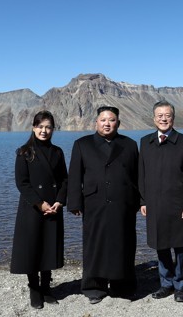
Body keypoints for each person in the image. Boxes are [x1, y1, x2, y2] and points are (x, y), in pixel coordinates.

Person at [67, 106, 140, 304]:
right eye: (103, 120)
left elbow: (138, 176)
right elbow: (75, 175)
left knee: (123, 243)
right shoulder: (82, 144)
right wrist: (74, 201)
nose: (107, 123)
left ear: (118, 123)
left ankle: (122, 286)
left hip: (123, 203)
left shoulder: (130, 145)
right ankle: (94, 287)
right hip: (94, 202)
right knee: (94, 244)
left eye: (112, 120)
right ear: (96, 122)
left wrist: (141, 201)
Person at [138, 100, 183, 303]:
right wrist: (143, 200)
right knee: (160, 245)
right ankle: (166, 284)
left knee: (180, 246)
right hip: (154, 204)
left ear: (173, 118)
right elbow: (141, 174)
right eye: (160, 115)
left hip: (178, 204)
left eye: (168, 115)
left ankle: (181, 285)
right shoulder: (145, 142)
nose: (164, 119)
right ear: (154, 118)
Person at [10, 110, 68, 309]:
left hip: (53, 206)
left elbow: (64, 180)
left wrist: (59, 201)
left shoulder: (58, 152)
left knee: (48, 247)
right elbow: (22, 183)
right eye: (40, 126)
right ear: (33, 127)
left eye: (48, 127)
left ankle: (46, 287)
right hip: (32, 209)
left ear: (53, 129)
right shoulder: (24, 152)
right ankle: (34, 289)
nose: (44, 131)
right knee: (32, 248)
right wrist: (39, 203)